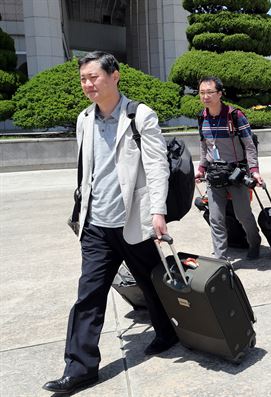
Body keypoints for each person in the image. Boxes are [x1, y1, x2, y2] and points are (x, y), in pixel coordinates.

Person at [43, 51, 177, 395]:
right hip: (97, 226)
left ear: (114, 76)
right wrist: (82, 214)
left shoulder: (140, 116)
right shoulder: (84, 119)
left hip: (133, 220)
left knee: (152, 282)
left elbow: (158, 166)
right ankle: (81, 368)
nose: (88, 84)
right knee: (88, 295)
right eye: (84, 79)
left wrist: (158, 212)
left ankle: (167, 332)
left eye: (94, 77)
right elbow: (87, 171)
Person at [193, 76, 263, 260]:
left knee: (243, 215)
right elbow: (204, 146)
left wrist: (254, 171)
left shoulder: (235, 116)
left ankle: (254, 242)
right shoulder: (202, 117)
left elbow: (249, 145)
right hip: (214, 174)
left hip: (236, 173)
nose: (205, 96)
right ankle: (221, 258)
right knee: (216, 218)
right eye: (202, 93)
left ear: (220, 94)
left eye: (210, 92)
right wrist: (201, 168)